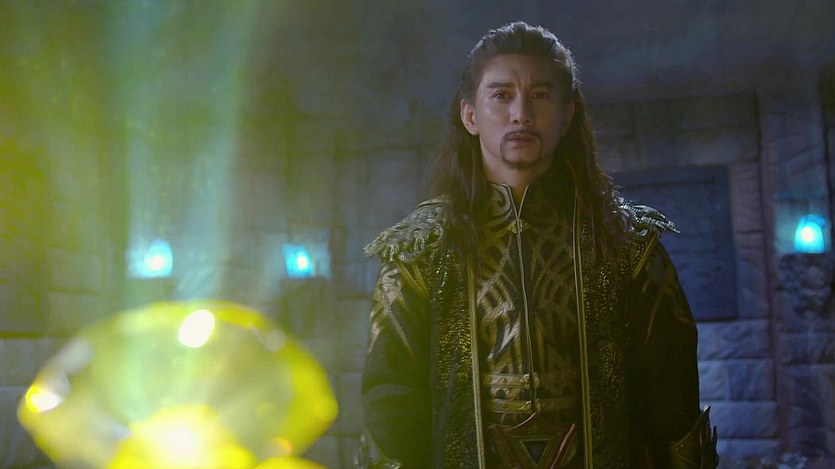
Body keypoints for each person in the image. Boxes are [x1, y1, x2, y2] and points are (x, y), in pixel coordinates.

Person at [357, 21, 718, 469]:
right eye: (501, 95)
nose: (521, 114)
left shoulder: (626, 242)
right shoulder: (422, 250)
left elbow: (672, 390)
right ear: (470, 116)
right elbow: (391, 398)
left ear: (567, 115)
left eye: (540, 95)